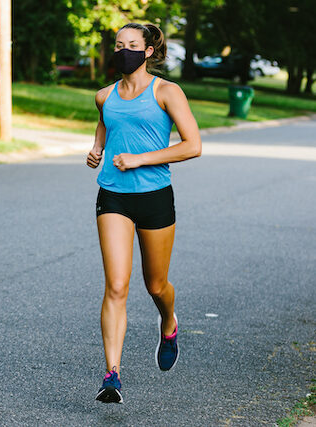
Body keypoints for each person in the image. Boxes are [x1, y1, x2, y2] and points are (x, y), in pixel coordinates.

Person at [86, 22, 201, 404]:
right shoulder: (105, 96)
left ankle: (168, 322)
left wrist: (140, 159)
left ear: (149, 51)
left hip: (154, 196)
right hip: (113, 195)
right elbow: (105, 124)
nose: (123, 51)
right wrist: (97, 148)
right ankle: (111, 374)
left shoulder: (167, 92)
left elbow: (192, 145)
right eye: (119, 45)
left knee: (156, 285)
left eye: (132, 45)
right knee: (116, 286)